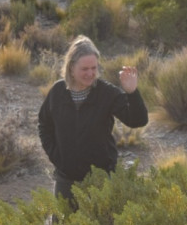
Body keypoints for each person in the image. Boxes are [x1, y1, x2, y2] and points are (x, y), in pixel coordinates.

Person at [38, 35, 148, 211]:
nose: (90, 73)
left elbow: (137, 120)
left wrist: (132, 93)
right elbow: (44, 124)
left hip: (101, 179)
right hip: (66, 180)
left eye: (93, 68)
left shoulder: (107, 93)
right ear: (71, 67)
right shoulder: (58, 92)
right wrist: (56, 157)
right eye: (84, 69)